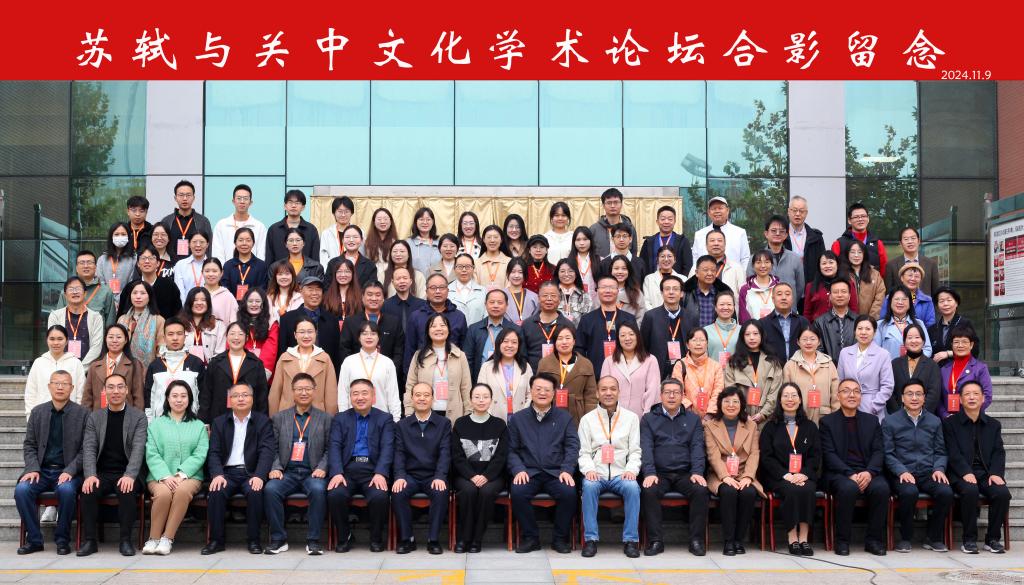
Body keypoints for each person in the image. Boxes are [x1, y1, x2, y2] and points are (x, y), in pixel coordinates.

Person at [15, 370, 88, 556]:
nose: (60, 387)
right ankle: (34, 540)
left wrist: (70, 470)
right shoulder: (37, 412)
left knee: (67, 490)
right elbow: (29, 445)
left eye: (65, 384)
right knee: (22, 490)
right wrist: (32, 468)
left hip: (68, 471)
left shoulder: (83, 414)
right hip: (41, 471)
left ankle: (62, 540)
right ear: (49, 386)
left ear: (72, 388)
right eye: (56, 383)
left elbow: (86, 449)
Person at [76, 373, 148, 557]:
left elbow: (139, 448)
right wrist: (90, 474)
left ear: (126, 390)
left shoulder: (138, 417)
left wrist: (130, 475)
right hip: (102, 472)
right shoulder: (95, 417)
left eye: (120, 387)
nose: (116, 391)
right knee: (88, 490)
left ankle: (125, 540)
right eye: (111, 387)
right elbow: (89, 448)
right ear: (104, 391)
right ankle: (90, 541)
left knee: (126, 490)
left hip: (128, 472)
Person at [507, 373, 580, 554]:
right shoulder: (518, 419)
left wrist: (567, 470)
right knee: (518, 492)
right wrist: (518, 469)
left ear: (554, 394)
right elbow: (511, 450)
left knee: (569, 493)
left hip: (556, 472)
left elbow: (572, 447)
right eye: (538, 389)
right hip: (529, 472)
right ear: (531, 391)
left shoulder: (564, 418)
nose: (542, 393)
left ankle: (560, 539)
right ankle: (531, 538)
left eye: (547, 390)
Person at [201, 383, 276, 555]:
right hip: (227, 473)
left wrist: (260, 475)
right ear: (230, 400)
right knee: (216, 491)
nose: (241, 398)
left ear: (252, 398)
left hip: (251, 473)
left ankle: (254, 540)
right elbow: (214, 452)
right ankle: (216, 541)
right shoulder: (219, 422)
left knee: (256, 491)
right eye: (236, 395)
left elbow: (267, 451)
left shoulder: (263, 422)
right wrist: (217, 474)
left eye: (245, 395)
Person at [263, 372, 332, 556]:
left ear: (314, 391)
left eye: (307, 389)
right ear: (292, 392)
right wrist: (276, 467)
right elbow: (272, 448)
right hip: (287, 472)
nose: (304, 393)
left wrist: (322, 467)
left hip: (312, 472)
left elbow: (330, 448)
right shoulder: (279, 418)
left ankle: (313, 541)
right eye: (299, 389)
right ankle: (278, 539)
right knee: (271, 489)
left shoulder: (326, 419)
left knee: (318, 490)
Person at [819, 378, 890, 556]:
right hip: (839, 473)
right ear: (838, 396)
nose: (852, 395)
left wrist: (869, 472)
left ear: (861, 396)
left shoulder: (872, 421)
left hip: (867, 471)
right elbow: (829, 454)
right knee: (848, 488)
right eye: (846, 391)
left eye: (856, 391)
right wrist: (849, 474)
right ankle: (842, 541)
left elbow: (879, 451)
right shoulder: (827, 422)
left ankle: (873, 540)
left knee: (881, 488)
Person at [639, 378, 709, 557]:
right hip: (659, 473)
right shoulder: (648, 419)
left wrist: (697, 472)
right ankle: (655, 541)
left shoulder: (693, 419)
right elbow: (646, 448)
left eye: (676, 392)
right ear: (661, 395)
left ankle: (696, 541)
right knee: (649, 490)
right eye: (667, 392)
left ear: (682, 395)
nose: (671, 396)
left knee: (700, 490)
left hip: (685, 473)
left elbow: (697, 447)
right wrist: (649, 472)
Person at [882, 378, 952, 553]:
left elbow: (941, 451)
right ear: (902, 398)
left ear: (924, 398)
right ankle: (905, 538)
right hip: (902, 472)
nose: (914, 398)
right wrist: (901, 471)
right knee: (909, 492)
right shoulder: (890, 421)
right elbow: (888, 453)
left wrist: (939, 468)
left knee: (945, 492)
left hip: (928, 472)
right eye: (910, 394)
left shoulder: (934, 421)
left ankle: (933, 537)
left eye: (918, 394)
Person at [327, 379, 395, 553]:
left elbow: (388, 447)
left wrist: (381, 473)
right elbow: (334, 446)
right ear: (350, 397)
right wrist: (337, 472)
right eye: (355, 394)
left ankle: (376, 538)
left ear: (373, 396)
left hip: (372, 471)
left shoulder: (385, 419)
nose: (360, 397)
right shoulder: (340, 418)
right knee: (335, 494)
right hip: (347, 471)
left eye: (365, 393)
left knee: (379, 496)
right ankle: (345, 537)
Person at [578, 376, 643, 558]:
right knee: (588, 487)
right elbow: (583, 452)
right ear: (597, 393)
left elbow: (635, 451)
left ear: (619, 392)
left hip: (621, 474)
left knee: (633, 488)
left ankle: (631, 540)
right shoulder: (587, 419)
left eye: (613, 389)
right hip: (596, 473)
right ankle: (590, 539)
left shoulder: (631, 418)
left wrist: (631, 470)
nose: (608, 393)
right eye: (604, 389)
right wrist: (589, 470)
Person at [943, 380, 1010, 554]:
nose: (971, 397)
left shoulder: (993, 425)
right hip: (960, 473)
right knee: (970, 490)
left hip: (986, 473)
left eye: (976, 394)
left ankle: (992, 539)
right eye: (967, 394)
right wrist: (965, 472)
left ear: (983, 398)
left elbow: (998, 452)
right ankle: (969, 539)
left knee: (1002, 493)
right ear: (960, 399)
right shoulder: (950, 423)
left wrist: (996, 473)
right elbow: (952, 452)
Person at [141, 381, 207, 556]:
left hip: (190, 476)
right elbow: (151, 453)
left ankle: (167, 538)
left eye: (183, 396)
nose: (179, 400)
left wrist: (181, 474)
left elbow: (200, 453)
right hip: (159, 476)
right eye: (175, 396)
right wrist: (165, 475)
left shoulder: (198, 425)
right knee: (163, 493)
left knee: (182, 492)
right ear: (167, 399)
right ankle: (154, 538)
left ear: (189, 399)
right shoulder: (156, 425)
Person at [758, 382, 821, 556]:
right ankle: (792, 537)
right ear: (780, 400)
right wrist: (785, 474)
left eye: (794, 395)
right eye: (785, 396)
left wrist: (804, 474)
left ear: (800, 400)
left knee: (807, 489)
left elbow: (816, 455)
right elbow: (766, 457)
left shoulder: (810, 426)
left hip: (804, 475)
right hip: (778, 476)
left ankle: (804, 539)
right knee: (791, 490)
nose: (790, 399)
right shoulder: (770, 427)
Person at [392, 383, 452, 555]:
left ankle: (433, 540)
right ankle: (407, 539)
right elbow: (399, 453)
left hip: (433, 475)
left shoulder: (444, 423)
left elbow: (445, 452)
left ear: (433, 398)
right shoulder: (402, 425)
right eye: (418, 395)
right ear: (411, 398)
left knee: (441, 492)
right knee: (398, 492)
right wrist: (400, 476)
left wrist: (440, 476)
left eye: (426, 395)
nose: (422, 398)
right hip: (410, 475)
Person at [704, 386, 763, 555]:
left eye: (735, 401)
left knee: (748, 492)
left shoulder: (751, 425)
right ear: (720, 404)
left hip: (744, 472)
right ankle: (729, 541)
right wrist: (725, 476)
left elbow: (754, 453)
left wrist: (748, 477)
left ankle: (739, 539)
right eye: (727, 401)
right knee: (728, 491)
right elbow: (713, 455)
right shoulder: (710, 426)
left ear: (742, 404)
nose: (731, 405)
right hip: (719, 474)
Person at [451, 384, 508, 553]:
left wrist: (486, 476)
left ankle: (476, 539)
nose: (481, 400)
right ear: (470, 400)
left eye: (485, 397)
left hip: (493, 476)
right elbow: (457, 456)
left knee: (486, 492)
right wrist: (472, 476)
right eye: (477, 397)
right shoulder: (460, 423)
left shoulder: (499, 424)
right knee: (468, 491)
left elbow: (501, 456)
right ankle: (464, 538)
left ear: (491, 400)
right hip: (465, 475)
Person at [404, 314, 472, 422]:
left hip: (454, 413)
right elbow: (410, 385)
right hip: (425, 412)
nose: (438, 328)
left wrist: (468, 413)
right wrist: (409, 411)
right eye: (433, 326)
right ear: (428, 331)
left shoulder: (460, 355)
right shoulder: (418, 356)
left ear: (448, 330)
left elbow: (466, 387)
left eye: (442, 325)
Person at [200, 322, 271, 422]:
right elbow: (206, 394)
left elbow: (262, 397)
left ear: (246, 338)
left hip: (249, 418)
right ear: (226, 337)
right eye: (232, 333)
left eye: (240, 334)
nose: (236, 337)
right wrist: (204, 421)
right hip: (219, 417)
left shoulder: (256, 364)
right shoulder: (215, 363)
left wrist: (262, 422)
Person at [270, 317, 339, 416]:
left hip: (317, 416)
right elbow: (275, 392)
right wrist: (274, 419)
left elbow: (331, 393)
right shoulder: (285, 358)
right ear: (295, 335)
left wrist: (330, 420)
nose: (306, 336)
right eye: (302, 332)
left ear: (316, 333)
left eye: (310, 332)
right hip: (287, 415)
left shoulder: (324, 358)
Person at [337, 321, 402, 421]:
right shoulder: (349, 362)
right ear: (359, 338)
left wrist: (396, 419)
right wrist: (343, 418)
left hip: (381, 418)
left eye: (373, 333)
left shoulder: (387, 363)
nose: (369, 337)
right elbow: (343, 392)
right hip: (354, 418)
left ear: (379, 337)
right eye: (364, 333)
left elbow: (393, 395)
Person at [143, 318, 205, 421]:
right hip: (161, 423)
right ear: (164, 337)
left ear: (185, 336)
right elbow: (149, 396)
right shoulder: (155, 365)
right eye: (170, 334)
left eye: (179, 334)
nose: (175, 338)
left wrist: (200, 420)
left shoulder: (196, 363)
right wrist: (150, 421)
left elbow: (203, 395)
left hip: (190, 422)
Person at [403, 273, 468, 370]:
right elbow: (410, 349)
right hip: (423, 369)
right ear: (426, 291)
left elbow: (464, 349)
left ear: (448, 290)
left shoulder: (459, 316)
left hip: (452, 370)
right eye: (433, 288)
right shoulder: (416, 316)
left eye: (441, 287)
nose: (438, 291)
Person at [725, 321, 785, 426]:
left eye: (755, 334)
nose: (752, 338)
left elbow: (775, 392)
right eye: (747, 334)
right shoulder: (733, 363)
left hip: (768, 420)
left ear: (762, 335)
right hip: (740, 420)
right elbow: (730, 390)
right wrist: (743, 414)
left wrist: (763, 413)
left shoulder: (773, 362)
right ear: (742, 337)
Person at [575, 276, 639, 375]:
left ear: (617, 291)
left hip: (625, 374)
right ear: (597, 291)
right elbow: (579, 348)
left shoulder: (629, 318)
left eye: (612, 287)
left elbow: (637, 346)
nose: (608, 291)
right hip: (595, 375)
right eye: (603, 287)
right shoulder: (587, 319)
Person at [278, 277, 342, 374]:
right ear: (301, 291)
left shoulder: (331, 320)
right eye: (310, 289)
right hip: (295, 374)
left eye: (318, 289)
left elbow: (336, 354)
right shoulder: (287, 319)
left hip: (324, 373)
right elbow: (282, 351)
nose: (314, 293)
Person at [337, 282, 404, 374]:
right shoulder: (351, 322)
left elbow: (398, 352)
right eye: (369, 294)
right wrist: (356, 372)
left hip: (386, 374)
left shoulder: (394, 322)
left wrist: (390, 371)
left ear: (383, 298)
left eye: (378, 295)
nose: (374, 298)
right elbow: (344, 350)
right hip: (357, 375)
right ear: (362, 297)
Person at [837, 315, 895, 420]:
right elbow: (839, 381)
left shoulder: (883, 354)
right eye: (860, 328)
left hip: (871, 407)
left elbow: (888, 385)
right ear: (855, 332)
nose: (863, 332)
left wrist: (875, 406)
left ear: (874, 332)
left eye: (868, 329)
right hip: (848, 405)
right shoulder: (845, 353)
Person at [538, 326, 598, 425]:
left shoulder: (585, 364)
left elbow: (591, 395)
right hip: (551, 413)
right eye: (560, 338)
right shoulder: (545, 363)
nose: (564, 342)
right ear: (555, 342)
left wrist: (589, 419)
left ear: (574, 341)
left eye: (568, 338)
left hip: (578, 415)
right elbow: (539, 392)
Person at [640, 275, 695, 380]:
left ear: (682, 293)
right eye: (667, 289)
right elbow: (643, 347)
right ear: (662, 293)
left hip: (685, 371)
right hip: (658, 370)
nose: (671, 292)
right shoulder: (650, 316)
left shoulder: (690, 316)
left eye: (675, 289)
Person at [782, 323, 839, 424]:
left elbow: (835, 395)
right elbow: (785, 395)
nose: (808, 342)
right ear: (798, 342)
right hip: (799, 418)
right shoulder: (790, 365)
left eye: (812, 339)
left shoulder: (828, 364)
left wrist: (836, 418)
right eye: (804, 339)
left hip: (825, 418)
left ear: (819, 342)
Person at [600, 321, 660, 416]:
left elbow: (653, 391)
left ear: (637, 336)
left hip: (641, 415)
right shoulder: (609, 361)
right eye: (623, 335)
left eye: (631, 334)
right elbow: (604, 390)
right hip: (615, 415)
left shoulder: (650, 360)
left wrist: (647, 416)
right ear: (618, 339)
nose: (627, 338)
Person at [82, 324, 144, 411]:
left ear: (126, 340)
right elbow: (87, 397)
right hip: (98, 416)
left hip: (125, 416)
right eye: (111, 337)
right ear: (105, 339)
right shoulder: (94, 365)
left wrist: (137, 418)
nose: (114, 340)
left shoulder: (134, 365)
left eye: (119, 337)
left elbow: (138, 397)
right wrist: (88, 418)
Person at [25, 326, 85, 414]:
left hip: (70, 415)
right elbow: (30, 393)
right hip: (42, 415)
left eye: (60, 339)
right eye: (52, 339)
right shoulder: (38, 363)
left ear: (66, 341)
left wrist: (78, 415)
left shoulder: (76, 363)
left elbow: (81, 393)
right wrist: (30, 416)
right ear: (47, 340)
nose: (56, 343)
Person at [463, 289, 520, 381]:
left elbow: (521, 358)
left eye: (500, 302)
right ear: (485, 304)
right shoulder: (474, 329)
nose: (495, 306)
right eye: (492, 302)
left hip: (508, 380)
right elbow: (468, 360)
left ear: (506, 305)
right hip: (481, 380)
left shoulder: (516, 330)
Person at [747, 215, 805, 305]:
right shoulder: (755, 258)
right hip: (762, 309)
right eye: (773, 231)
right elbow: (750, 284)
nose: (777, 233)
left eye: (781, 231)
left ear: (786, 235)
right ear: (766, 234)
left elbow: (800, 288)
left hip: (788, 310)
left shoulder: (795, 259)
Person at [476, 328, 533, 420]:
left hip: (520, 418)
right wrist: (489, 416)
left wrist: (523, 415)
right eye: (505, 341)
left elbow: (531, 395)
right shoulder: (487, 367)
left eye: (514, 342)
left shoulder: (526, 366)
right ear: (499, 343)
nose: (510, 345)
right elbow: (481, 394)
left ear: (519, 345)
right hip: (493, 418)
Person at [49, 276, 104, 366]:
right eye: (71, 289)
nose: (75, 292)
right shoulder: (55, 316)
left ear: (85, 293)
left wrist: (80, 369)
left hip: (87, 369)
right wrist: (64, 368)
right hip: (61, 368)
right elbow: (53, 344)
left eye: (78, 289)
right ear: (65, 295)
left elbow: (96, 347)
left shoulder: (96, 317)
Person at [889, 324, 943, 415]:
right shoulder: (895, 364)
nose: (913, 341)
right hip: (898, 418)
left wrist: (920, 415)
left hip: (924, 418)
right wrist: (899, 415)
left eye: (917, 337)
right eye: (909, 338)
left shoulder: (932, 366)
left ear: (923, 341)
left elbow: (934, 394)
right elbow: (890, 392)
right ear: (904, 341)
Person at [939, 326, 992, 418]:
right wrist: (945, 415)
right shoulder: (944, 369)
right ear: (952, 345)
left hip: (972, 420)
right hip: (948, 420)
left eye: (964, 342)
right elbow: (938, 398)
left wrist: (967, 416)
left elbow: (987, 396)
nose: (960, 345)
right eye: (956, 342)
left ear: (971, 345)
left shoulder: (980, 368)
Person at [671, 327, 724, 418]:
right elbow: (677, 391)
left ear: (707, 343)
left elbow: (718, 392)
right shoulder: (680, 365)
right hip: (686, 416)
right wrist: (690, 413)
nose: (698, 343)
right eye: (694, 340)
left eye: (702, 340)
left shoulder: (716, 366)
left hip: (712, 418)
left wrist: (710, 414)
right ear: (687, 345)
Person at [522, 281, 574, 373]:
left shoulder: (568, 325)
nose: (549, 299)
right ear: (538, 298)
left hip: (560, 375)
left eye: (553, 296)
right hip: (533, 375)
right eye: (545, 295)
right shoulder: (527, 324)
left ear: (559, 299)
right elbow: (522, 354)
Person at [118, 245, 181, 319]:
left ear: (158, 263)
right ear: (138, 264)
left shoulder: (169, 285)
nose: (147, 261)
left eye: (151, 258)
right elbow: (122, 313)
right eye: (143, 258)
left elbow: (177, 313)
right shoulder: (130, 287)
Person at [211, 184, 267, 263]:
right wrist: (225, 269)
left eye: (245, 199)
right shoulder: (221, 225)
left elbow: (261, 254)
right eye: (239, 198)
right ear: (233, 201)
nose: (242, 201)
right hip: (226, 270)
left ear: (251, 202)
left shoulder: (259, 227)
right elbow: (217, 254)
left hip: (253, 270)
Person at [161, 180, 213, 264]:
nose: (185, 198)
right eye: (181, 195)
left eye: (188, 195)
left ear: (193, 198)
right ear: (175, 198)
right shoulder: (166, 221)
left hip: (195, 266)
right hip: (170, 266)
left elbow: (209, 247)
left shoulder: (203, 221)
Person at [692, 196, 751, 269]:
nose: (717, 211)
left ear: (727, 210)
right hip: (706, 275)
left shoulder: (739, 233)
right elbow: (695, 259)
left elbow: (745, 258)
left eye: (720, 208)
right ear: (709, 212)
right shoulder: (699, 234)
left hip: (732, 274)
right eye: (713, 209)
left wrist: (741, 274)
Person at [875, 286, 933, 360]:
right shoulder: (880, 325)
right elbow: (876, 351)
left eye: (904, 299)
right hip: (889, 366)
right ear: (890, 302)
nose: (900, 302)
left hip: (914, 366)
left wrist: (914, 361)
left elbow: (927, 349)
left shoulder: (919, 323)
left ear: (910, 303)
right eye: (896, 299)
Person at [266, 189, 320, 266]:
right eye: (290, 202)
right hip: (280, 273)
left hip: (306, 273)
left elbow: (315, 258)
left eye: (297, 203)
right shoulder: (274, 230)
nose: (293, 206)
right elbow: (269, 258)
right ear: (285, 206)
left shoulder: (311, 230)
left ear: (303, 207)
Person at [832, 203, 888, 277]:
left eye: (863, 216)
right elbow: (834, 270)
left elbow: (884, 271)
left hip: (872, 283)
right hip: (847, 283)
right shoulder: (839, 244)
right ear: (849, 220)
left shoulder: (877, 243)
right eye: (856, 217)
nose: (860, 219)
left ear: (868, 219)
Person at [236, 287, 280, 378]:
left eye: (258, 301)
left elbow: (270, 350)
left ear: (263, 303)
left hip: (262, 370)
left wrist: (260, 375)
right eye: (250, 301)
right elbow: (232, 345)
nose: (254, 304)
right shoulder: (237, 322)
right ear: (245, 303)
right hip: (239, 370)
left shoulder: (271, 323)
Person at [803, 251, 859, 321]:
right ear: (819, 267)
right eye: (824, 263)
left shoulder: (847, 284)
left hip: (843, 325)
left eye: (831, 262)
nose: (828, 266)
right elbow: (807, 313)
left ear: (837, 265)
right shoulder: (810, 286)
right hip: (817, 326)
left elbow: (854, 309)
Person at [639, 205, 693, 278]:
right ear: (657, 222)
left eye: (670, 219)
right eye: (663, 219)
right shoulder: (649, 242)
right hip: (653, 281)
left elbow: (688, 265)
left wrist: (681, 282)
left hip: (676, 282)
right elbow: (642, 265)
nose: (666, 222)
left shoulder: (682, 241)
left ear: (674, 221)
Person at [760, 283, 809, 361]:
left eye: (787, 294)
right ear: (773, 299)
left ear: (792, 299)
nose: (784, 298)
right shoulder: (763, 323)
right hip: (772, 366)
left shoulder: (803, 321)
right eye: (779, 294)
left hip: (798, 365)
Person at [67, 250, 117, 327]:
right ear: (76, 268)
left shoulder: (106, 292)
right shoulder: (67, 291)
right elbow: (59, 320)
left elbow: (110, 323)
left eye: (89, 262)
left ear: (95, 267)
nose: (86, 266)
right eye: (82, 263)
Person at [885, 227, 940, 297]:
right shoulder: (891, 265)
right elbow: (889, 293)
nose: (910, 241)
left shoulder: (931, 264)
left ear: (919, 241)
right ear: (900, 243)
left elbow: (936, 292)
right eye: (906, 239)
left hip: (925, 303)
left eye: (913, 238)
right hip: (901, 303)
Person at [783, 195, 826, 285]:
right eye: (794, 210)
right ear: (788, 211)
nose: (798, 214)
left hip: (810, 285)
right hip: (786, 286)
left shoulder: (816, 237)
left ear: (806, 213)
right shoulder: (781, 236)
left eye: (801, 211)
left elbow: (822, 262)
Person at [929, 287, 978, 363]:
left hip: (961, 368)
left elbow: (975, 350)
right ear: (937, 306)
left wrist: (949, 354)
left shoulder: (965, 324)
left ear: (956, 303)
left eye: (949, 300)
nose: (945, 304)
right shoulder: (932, 329)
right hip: (938, 369)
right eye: (941, 301)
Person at [814, 280, 857, 365]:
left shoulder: (858, 321)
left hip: (854, 369)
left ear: (849, 296)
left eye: (843, 291)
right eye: (835, 292)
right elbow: (817, 350)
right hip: (827, 368)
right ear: (830, 296)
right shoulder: (819, 322)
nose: (839, 295)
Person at [178, 287, 226, 364]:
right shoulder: (179, 324)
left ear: (208, 303)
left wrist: (210, 368)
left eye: (203, 300)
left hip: (210, 368)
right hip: (183, 368)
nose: (199, 303)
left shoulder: (218, 325)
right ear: (189, 303)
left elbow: (220, 354)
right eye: (195, 300)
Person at [681, 255, 731, 328]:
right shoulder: (686, 293)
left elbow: (730, 321)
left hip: (716, 335)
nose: (710, 273)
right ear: (697, 273)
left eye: (713, 270)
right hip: (692, 335)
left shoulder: (723, 293)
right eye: (705, 270)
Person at [221, 227, 269, 301]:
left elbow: (263, 290)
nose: (244, 243)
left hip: (254, 305)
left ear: (253, 243)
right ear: (235, 243)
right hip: (232, 306)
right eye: (240, 240)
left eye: (248, 240)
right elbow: (225, 289)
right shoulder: (228, 265)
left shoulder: (261, 266)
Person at [842, 239, 885, 320]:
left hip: (870, 321)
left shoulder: (875, 274)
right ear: (847, 254)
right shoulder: (841, 274)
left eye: (859, 252)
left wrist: (870, 320)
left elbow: (880, 298)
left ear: (864, 254)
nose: (856, 255)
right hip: (846, 321)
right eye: (852, 252)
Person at [693, 230, 745, 297]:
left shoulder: (737, 268)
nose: (716, 243)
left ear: (725, 244)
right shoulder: (695, 267)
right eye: (712, 240)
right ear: (706, 245)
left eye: (719, 240)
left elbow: (743, 295)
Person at [883, 263, 936, 327]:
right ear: (902, 278)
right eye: (910, 275)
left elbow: (930, 325)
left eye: (917, 276)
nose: (913, 279)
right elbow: (883, 321)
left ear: (920, 280)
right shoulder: (890, 298)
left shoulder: (927, 300)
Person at [96, 222, 137, 303]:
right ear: (111, 237)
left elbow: (132, 282)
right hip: (106, 302)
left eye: (123, 234)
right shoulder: (102, 259)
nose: (120, 237)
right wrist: (111, 302)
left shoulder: (134, 258)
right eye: (116, 234)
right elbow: (100, 281)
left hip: (126, 301)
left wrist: (119, 300)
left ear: (128, 237)